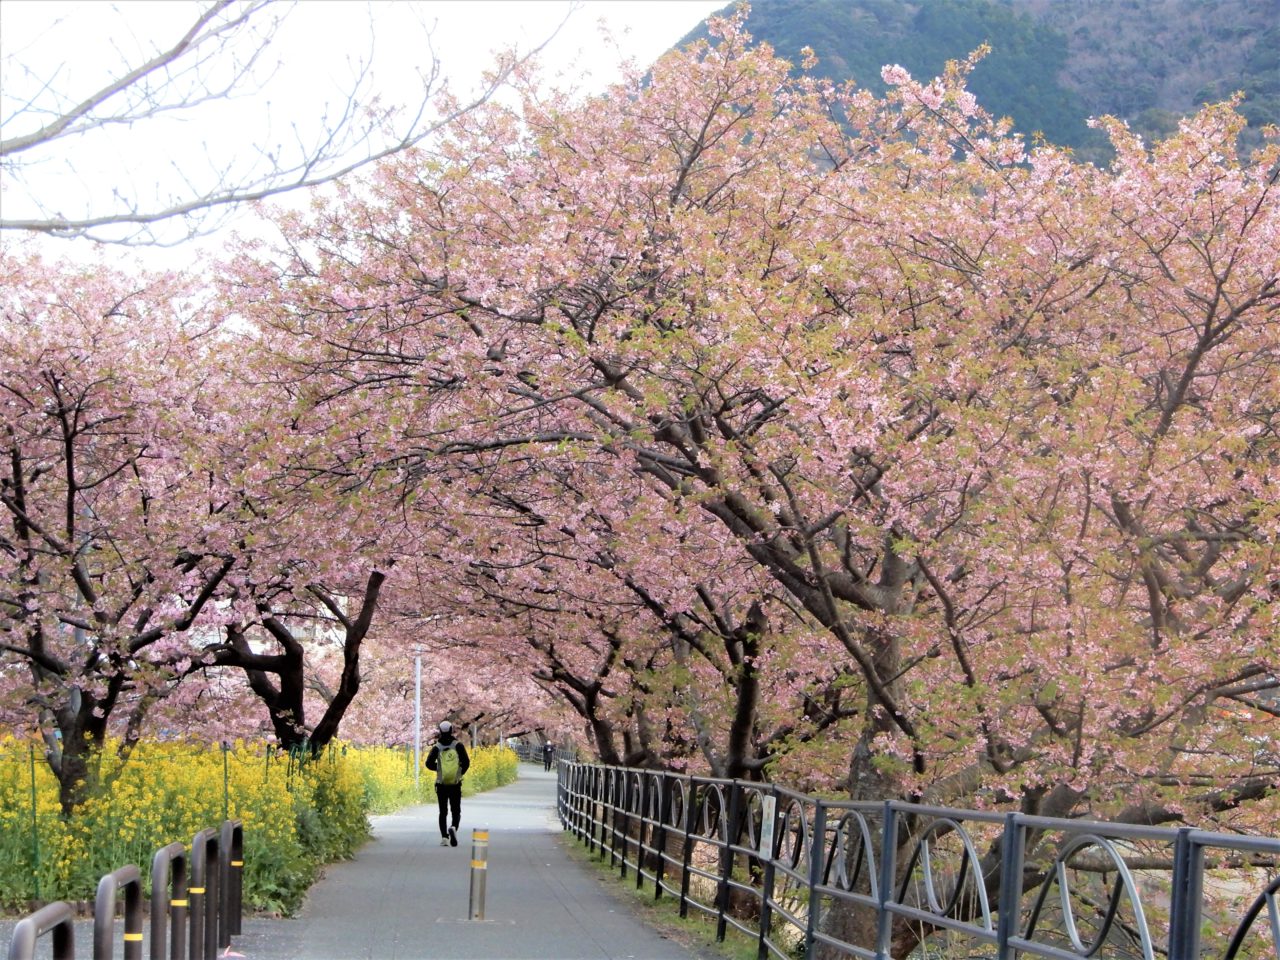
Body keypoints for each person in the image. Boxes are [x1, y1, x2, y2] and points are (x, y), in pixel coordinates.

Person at [425, 720, 470, 846]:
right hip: (455, 784)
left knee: (443, 811)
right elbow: (466, 762)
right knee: (456, 810)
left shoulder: (437, 747)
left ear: (440, 731)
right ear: (451, 730)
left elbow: (428, 764)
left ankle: (444, 837)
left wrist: (439, 769)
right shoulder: (458, 745)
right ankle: (454, 827)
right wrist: (459, 773)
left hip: (441, 784)